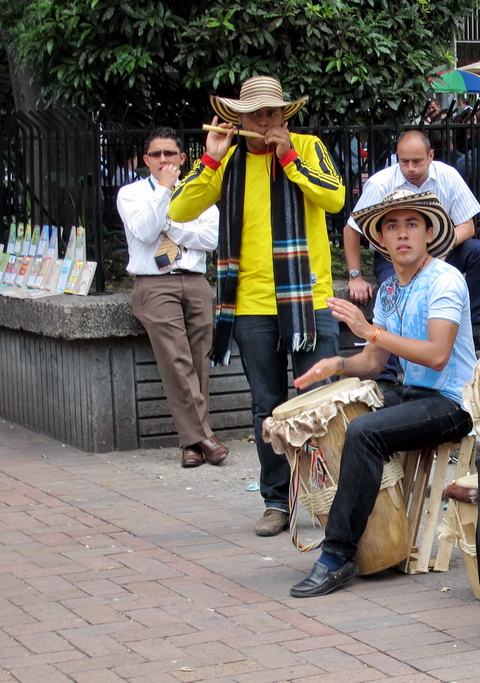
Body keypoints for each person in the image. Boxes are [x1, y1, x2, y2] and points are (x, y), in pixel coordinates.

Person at [169, 75, 346, 536]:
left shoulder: (307, 147)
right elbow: (180, 210)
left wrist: (287, 155)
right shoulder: (225, 159)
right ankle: (276, 502)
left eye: (272, 113)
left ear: (284, 116)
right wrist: (209, 153)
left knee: (318, 405)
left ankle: (329, 499)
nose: (263, 121)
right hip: (249, 304)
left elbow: (334, 197)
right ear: (238, 117)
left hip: (308, 299)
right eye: (254, 114)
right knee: (266, 407)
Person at [288, 190, 476, 597]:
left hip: (453, 402)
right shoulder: (390, 289)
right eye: (392, 226)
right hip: (412, 393)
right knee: (341, 419)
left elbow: (438, 355)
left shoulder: (445, 279)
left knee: (364, 431)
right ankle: (373, 538)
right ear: (381, 240)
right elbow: (373, 362)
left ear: (429, 233)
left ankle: (337, 555)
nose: (402, 234)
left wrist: (369, 330)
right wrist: (336, 365)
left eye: (411, 224)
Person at [117, 127, 228, 469]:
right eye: (156, 154)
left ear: (183, 158)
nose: (163, 160)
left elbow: (210, 238)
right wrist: (164, 192)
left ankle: (190, 444)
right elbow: (147, 231)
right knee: (176, 361)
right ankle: (206, 438)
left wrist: (173, 226)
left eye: (170, 153)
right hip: (154, 284)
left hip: (194, 281)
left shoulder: (199, 192)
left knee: (198, 363)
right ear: (145, 160)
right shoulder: (131, 194)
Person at [343, 130, 480, 352]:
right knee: (393, 296)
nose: (411, 168)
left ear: (431, 156)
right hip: (394, 256)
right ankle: (386, 373)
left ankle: (477, 324)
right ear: (397, 157)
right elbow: (351, 229)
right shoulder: (380, 183)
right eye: (404, 161)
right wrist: (355, 276)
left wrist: (442, 248)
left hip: (441, 249)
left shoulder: (448, 176)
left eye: (417, 161)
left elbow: (467, 226)